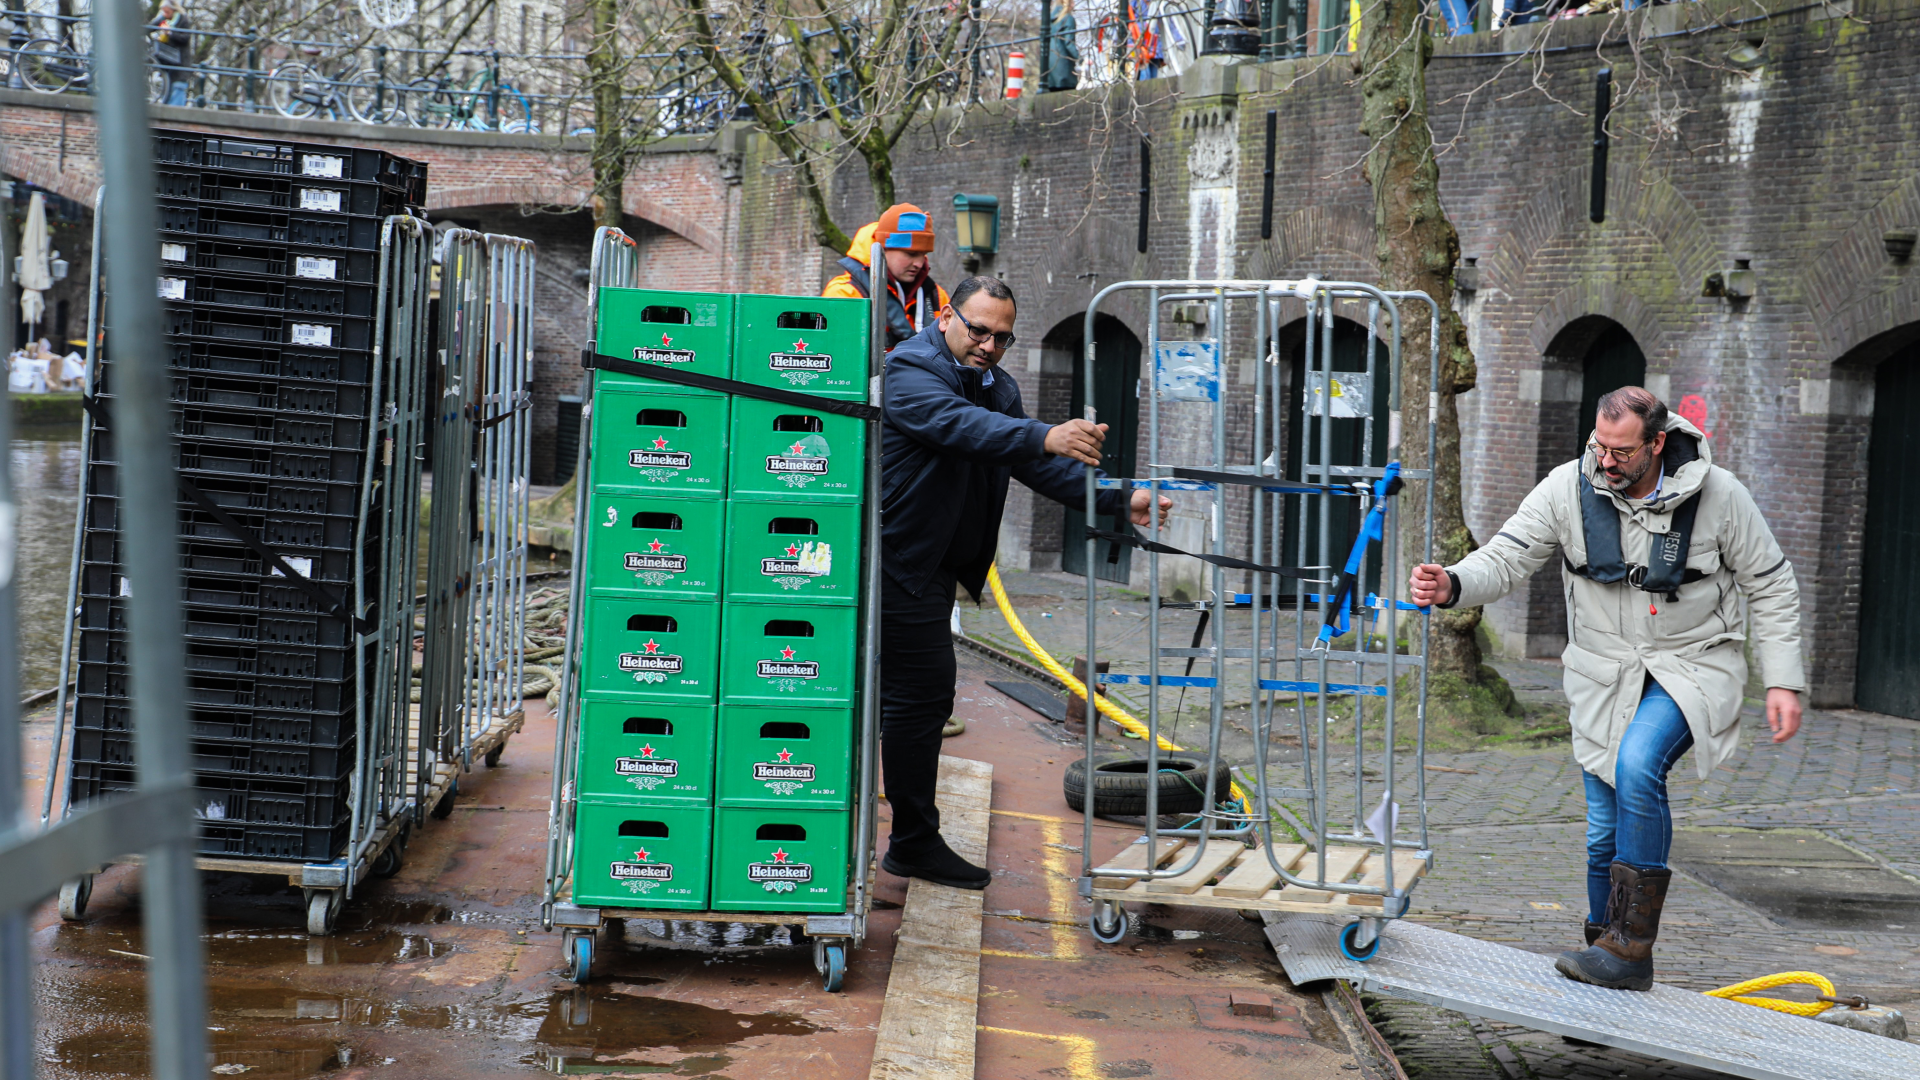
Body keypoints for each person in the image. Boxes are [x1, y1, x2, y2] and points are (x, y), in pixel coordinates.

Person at [1408, 387, 1803, 992]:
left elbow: (1772, 585)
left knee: (1638, 765)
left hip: (1691, 665)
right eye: (1599, 445)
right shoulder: (1566, 487)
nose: (1606, 461)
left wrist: (1782, 680)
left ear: (1657, 443)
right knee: (1601, 832)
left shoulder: (1720, 495)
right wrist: (1453, 583)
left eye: (1622, 451)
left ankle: (1629, 949)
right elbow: (1507, 557)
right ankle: (1602, 954)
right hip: (1603, 673)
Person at [878, 275, 1171, 889]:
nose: (989, 346)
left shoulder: (997, 386)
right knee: (918, 698)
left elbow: (1033, 465)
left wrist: (1121, 499)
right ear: (946, 316)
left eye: (1002, 338)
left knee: (921, 699)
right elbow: (961, 427)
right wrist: (1045, 434)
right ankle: (910, 842)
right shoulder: (910, 368)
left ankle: (910, 838)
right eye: (979, 330)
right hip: (896, 559)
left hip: (937, 564)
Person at [822, 203, 949, 351]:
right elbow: (835, 355)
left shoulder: (937, 296)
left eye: (923, 254)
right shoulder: (844, 294)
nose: (919, 263)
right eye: (911, 254)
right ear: (883, 250)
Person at [150, 1, 193, 107]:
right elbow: (150, 27)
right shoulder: (163, 19)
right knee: (168, 88)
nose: (165, 14)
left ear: (173, 10)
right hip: (168, 59)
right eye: (163, 12)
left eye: (167, 12)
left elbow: (185, 38)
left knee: (178, 86)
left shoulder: (183, 20)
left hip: (180, 61)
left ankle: (177, 112)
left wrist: (170, 33)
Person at [1045, 0, 1080, 91]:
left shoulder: (1049, 20)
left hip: (1050, 68)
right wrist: (1081, 59)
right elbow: (1069, 43)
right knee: (1068, 95)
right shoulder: (1068, 18)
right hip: (1064, 67)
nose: (1074, 4)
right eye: (1073, 2)